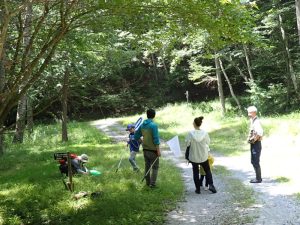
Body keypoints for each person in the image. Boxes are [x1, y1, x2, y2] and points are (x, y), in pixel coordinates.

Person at [185, 116, 217, 194]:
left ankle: (198, 189)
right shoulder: (205, 133)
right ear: (200, 124)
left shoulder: (190, 134)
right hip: (203, 156)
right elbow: (208, 143)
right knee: (207, 170)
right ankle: (211, 185)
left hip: (194, 156)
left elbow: (187, 144)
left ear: (194, 124)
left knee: (195, 172)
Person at [134, 109, 161, 188]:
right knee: (155, 167)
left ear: (147, 115)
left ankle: (147, 183)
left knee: (147, 166)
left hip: (145, 149)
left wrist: (142, 141)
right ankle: (152, 184)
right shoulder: (153, 125)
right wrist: (158, 151)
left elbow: (136, 136)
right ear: (154, 115)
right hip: (153, 150)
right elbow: (156, 139)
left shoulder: (142, 125)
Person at [247, 106, 263, 183]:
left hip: (256, 144)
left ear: (254, 112)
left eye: (249, 112)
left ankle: (258, 179)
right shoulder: (252, 120)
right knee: (253, 161)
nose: (248, 114)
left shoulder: (256, 122)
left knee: (255, 161)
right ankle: (258, 178)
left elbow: (260, 133)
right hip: (254, 144)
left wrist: (252, 140)